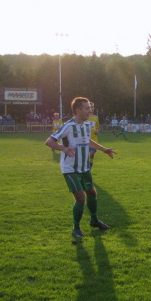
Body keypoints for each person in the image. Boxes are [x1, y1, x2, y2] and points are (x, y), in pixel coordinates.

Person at [45, 97, 116, 238]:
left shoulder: (86, 125)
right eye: (87, 108)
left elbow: (87, 141)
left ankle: (94, 220)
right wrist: (63, 148)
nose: (90, 110)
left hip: (84, 167)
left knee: (92, 193)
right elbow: (49, 141)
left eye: (90, 108)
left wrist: (104, 149)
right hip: (70, 168)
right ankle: (76, 228)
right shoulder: (68, 126)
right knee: (80, 198)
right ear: (78, 110)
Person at [88, 102, 100, 167]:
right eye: (90, 107)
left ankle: (90, 165)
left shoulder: (96, 118)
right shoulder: (85, 117)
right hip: (85, 139)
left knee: (92, 154)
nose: (91, 108)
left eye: (92, 107)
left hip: (94, 139)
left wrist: (97, 131)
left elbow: (97, 127)